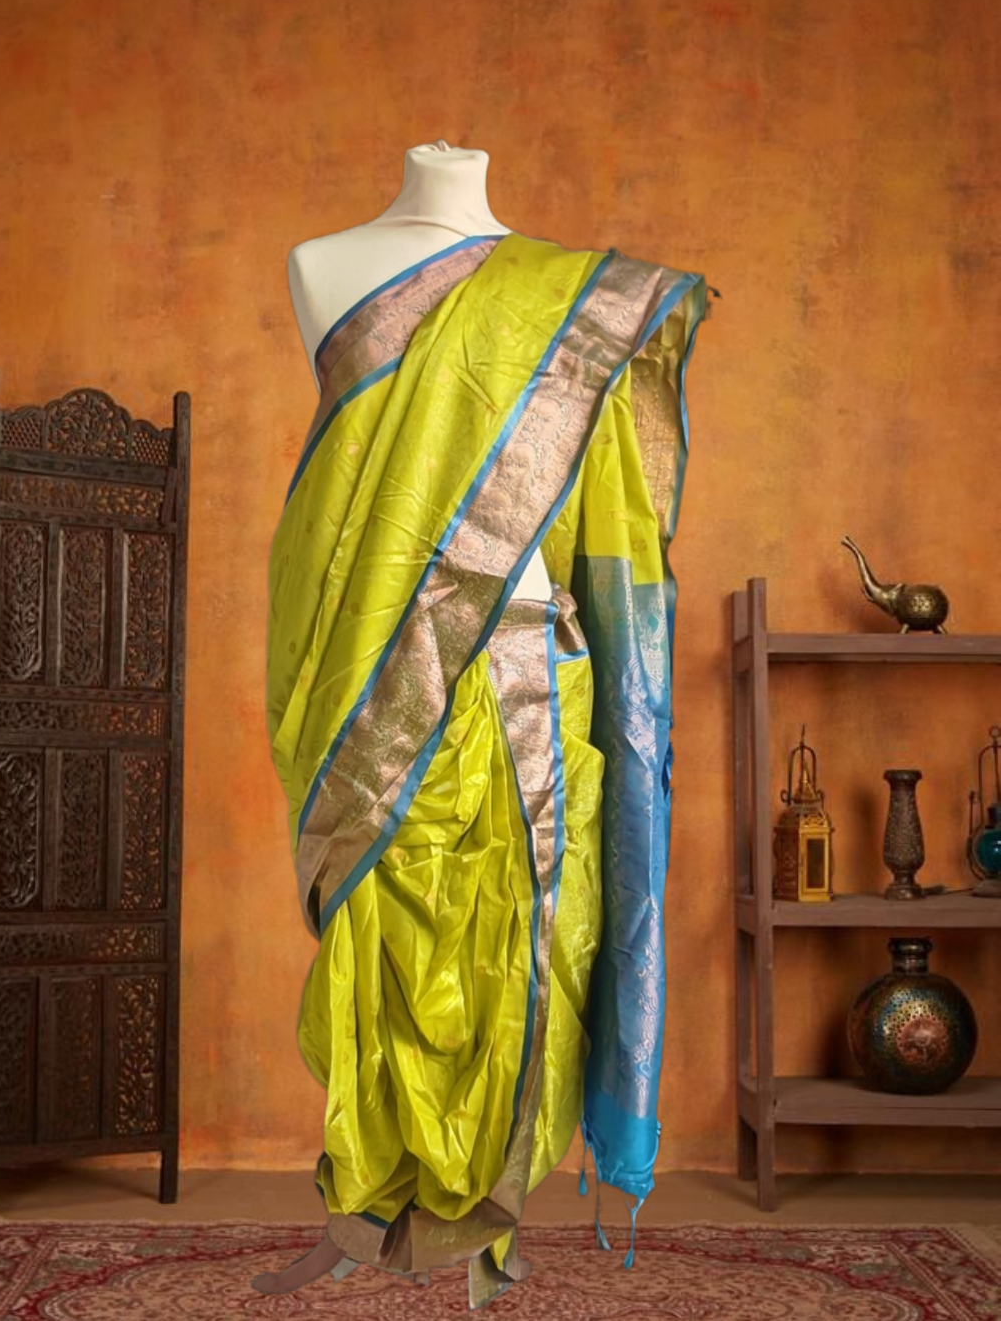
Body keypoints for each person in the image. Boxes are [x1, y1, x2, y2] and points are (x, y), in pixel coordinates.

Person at [262, 142, 707, 1308]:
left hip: (528, 676)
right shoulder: (321, 265)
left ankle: (486, 1200)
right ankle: (372, 1192)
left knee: (528, 941)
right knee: (381, 931)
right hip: (369, 668)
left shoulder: (569, 299)